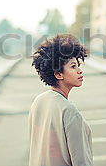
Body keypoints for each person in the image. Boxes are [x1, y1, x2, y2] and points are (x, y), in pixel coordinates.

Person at [29, 34, 93, 166]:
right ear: (58, 74)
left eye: (78, 65)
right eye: (73, 66)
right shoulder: (68, 110)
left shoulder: (38, 101)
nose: (80, 71)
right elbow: (81, 161)